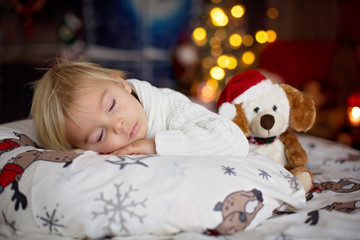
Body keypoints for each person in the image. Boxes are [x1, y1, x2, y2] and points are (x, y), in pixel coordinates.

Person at [31, 61, 249, 156]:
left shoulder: (174, 110)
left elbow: (234, 141)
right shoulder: (97, 151)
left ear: (120, 83)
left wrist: (156, 145)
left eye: (112, 105)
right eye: (99, 135)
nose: (118, 125)